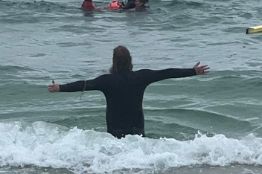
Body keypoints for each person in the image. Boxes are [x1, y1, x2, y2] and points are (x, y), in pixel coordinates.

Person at [48, 46, 209, 138]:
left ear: (113, 61)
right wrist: (193, 71)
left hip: (115, 133)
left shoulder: (106, 80)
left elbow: (84, 84)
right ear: (130, 60)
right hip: (137, 132)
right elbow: (167, 73)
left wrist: (60, 87)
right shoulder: (141, 77)